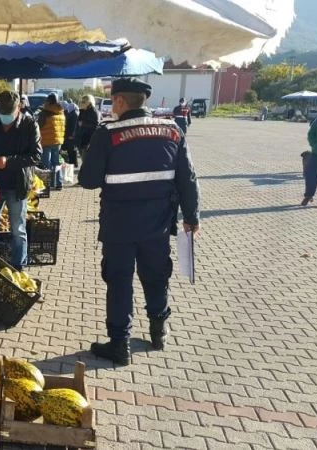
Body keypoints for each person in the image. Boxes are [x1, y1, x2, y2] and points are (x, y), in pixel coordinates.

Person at [78, 78, 200, 366]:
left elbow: (87, 180)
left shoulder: (107, 133)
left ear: (120, 102)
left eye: (112, 101)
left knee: (120, 281)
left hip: (119, 226)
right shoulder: (172, 130)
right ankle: (159, 331)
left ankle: (120, 345)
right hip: (157, 225)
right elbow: (188, 178)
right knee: (156, 276)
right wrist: (192, 217)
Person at [0, 91, 42, 269]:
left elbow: (36, 155)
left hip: (17, 185)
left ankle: (18, 268)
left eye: (8, 114)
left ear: (18, 108)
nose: (5, 117)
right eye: (2, 113)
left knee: (18, 230)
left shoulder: (29, 124)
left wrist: (9, 162)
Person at [37, 93, 65, 188]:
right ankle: (58, 183)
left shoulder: (44, 114)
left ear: (48, 102)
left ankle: (46, 185)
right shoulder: (61, 112)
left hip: (46, 142)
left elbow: (38, 126)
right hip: (58, 141)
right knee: (56, 162)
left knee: (46, 164)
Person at [63, 99, 80, 167]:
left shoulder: (72, 115)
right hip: (72, 134)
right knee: (72, 149)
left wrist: (71, 135)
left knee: (71, 150)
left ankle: (73, 163)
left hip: (71, 134)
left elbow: (71, 126)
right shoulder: (75, 113)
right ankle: (74, 163)